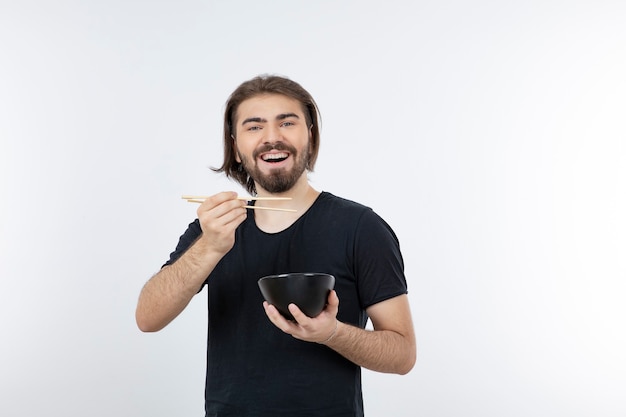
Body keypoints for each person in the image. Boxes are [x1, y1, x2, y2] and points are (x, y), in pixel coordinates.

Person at [135, 74, 416, 417]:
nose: (272, 137)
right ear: (236, 147)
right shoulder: (214, 227)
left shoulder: (360, 227)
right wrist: (209, 247)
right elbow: (147, 318)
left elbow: (403, 355)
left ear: (310, 137)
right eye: (254, 127)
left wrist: (332, 333)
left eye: (287, 123)